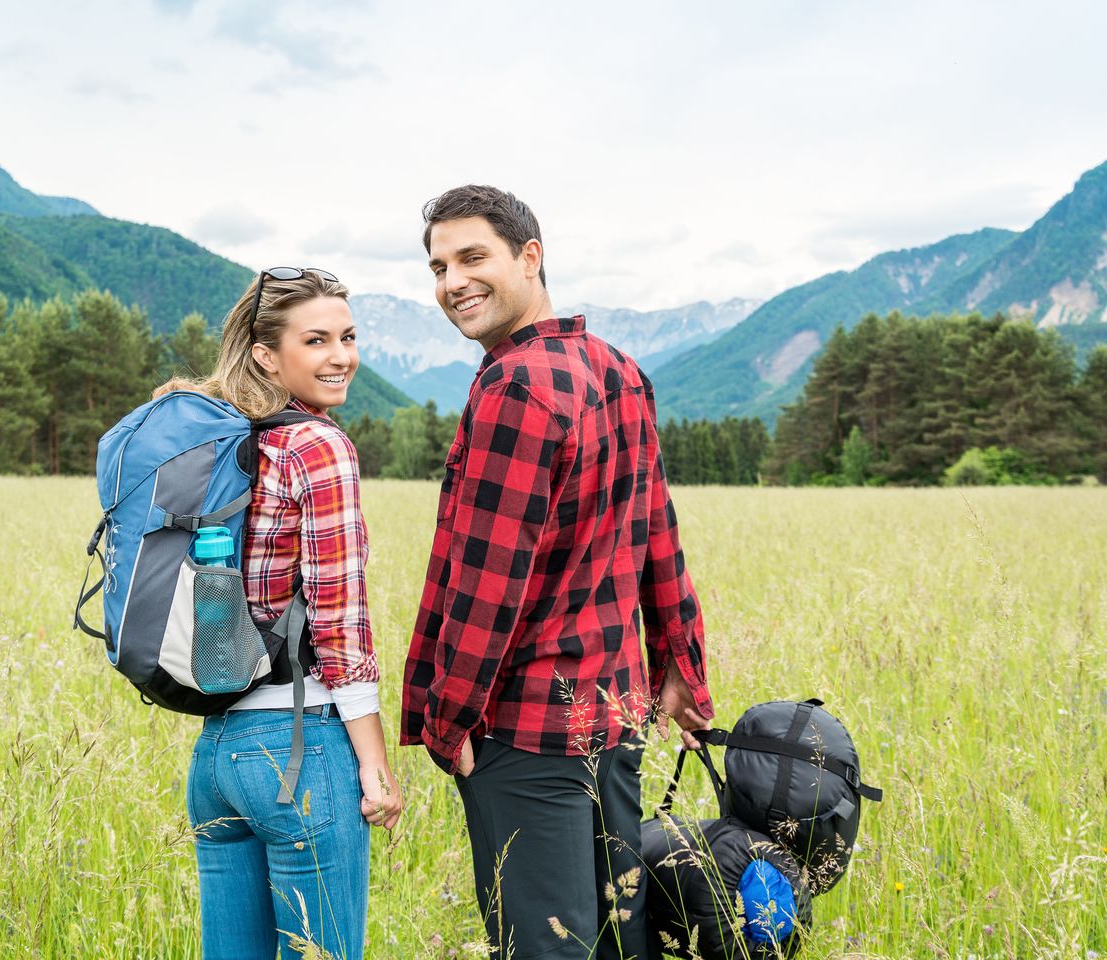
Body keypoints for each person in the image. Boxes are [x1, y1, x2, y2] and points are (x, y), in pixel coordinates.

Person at [400, 186, 714, 959]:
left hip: (525, 731)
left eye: (473, 257)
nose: (452, 283)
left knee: (545, 947)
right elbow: (657, 532)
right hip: (612, 714)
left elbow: (487, 583)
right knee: (617, 940)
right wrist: (683, 661)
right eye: (439, 266)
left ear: (530, 257)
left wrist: (447, 719)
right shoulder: (616, 367)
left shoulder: (513, 386)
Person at [160, 267, 402, 960]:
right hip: (299, 750)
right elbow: (338, 619)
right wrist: (375, 767)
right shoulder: (317, 446)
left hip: (216, 758)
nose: (340, 356)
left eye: (348, 337)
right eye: (317, 340)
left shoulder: (221, 440)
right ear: (268, 354)